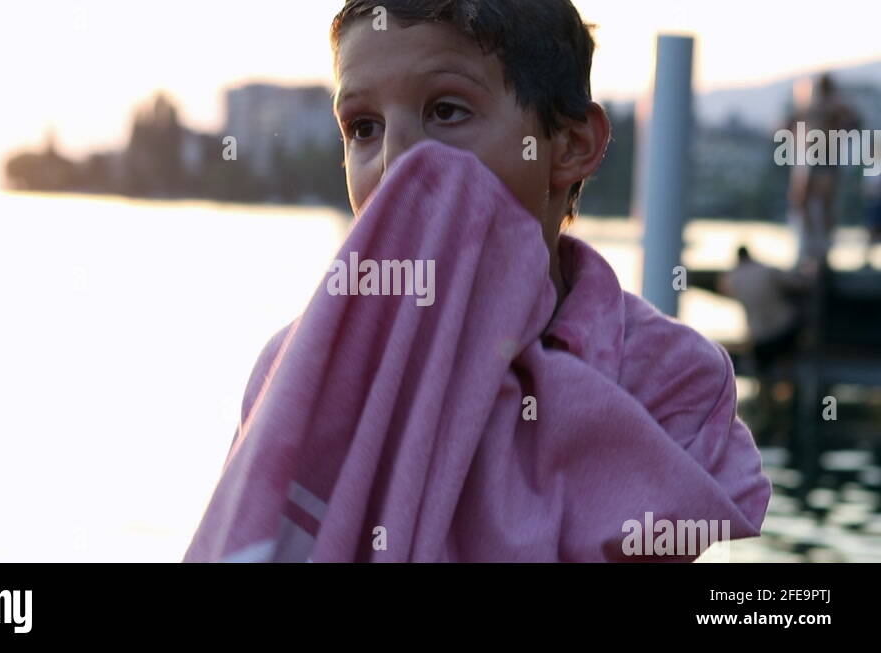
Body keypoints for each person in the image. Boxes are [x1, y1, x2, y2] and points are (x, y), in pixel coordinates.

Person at [184, 0, 771, 562]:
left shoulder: (669, 376)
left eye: (446, 111)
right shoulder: (299, 371)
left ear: (570, 145)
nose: (397, 164)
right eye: (363, 127)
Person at [719, 246, 810, 443]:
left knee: (763, 377)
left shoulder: (733, 278)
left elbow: (723, 288)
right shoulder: (767, 271)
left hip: (761, 340)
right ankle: (789, 404)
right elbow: (799, 284)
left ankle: (768, 412)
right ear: (751, 257)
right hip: (785, 332)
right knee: (788, 362)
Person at [784, 73, 860, 266]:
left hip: (821, 160)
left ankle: (818, 251)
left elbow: (853, 124)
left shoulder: (829, 107)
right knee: (807, 204)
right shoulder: (817, 107)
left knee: (815, 204)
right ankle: (813, 250)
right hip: (814, 160)